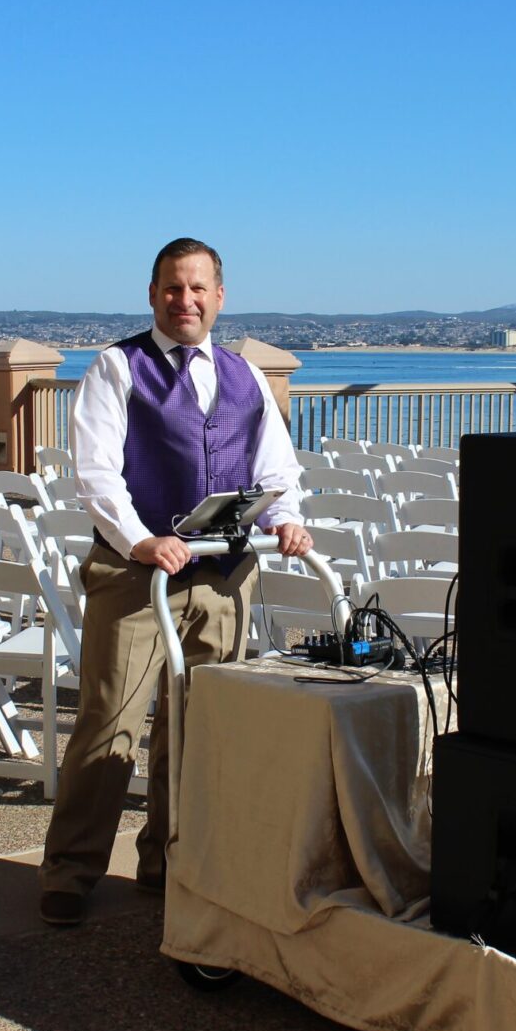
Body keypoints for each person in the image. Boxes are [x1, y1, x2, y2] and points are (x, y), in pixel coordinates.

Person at [39, 238, 312, 926]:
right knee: (111, 721)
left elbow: (275, 468)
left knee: (198, 728)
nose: (183, 300)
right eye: (171, 288)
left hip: (222, 578)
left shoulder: (243, 375)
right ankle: (71, 868)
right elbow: (97, 472)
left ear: (219, 297)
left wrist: (287, 520)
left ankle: (168, 860)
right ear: (152, 293)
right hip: (137, 578)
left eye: (197, 289)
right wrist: (139, 541)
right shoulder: (115, 367)